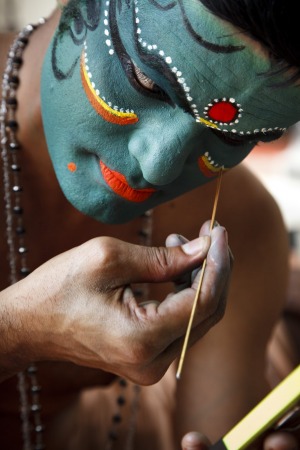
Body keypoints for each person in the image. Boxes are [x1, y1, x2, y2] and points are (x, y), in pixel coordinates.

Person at [0, 0, 299, 449]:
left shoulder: (241, 225)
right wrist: (20, 329)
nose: (158, 167)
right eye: (149, 82)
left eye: (230, 135)